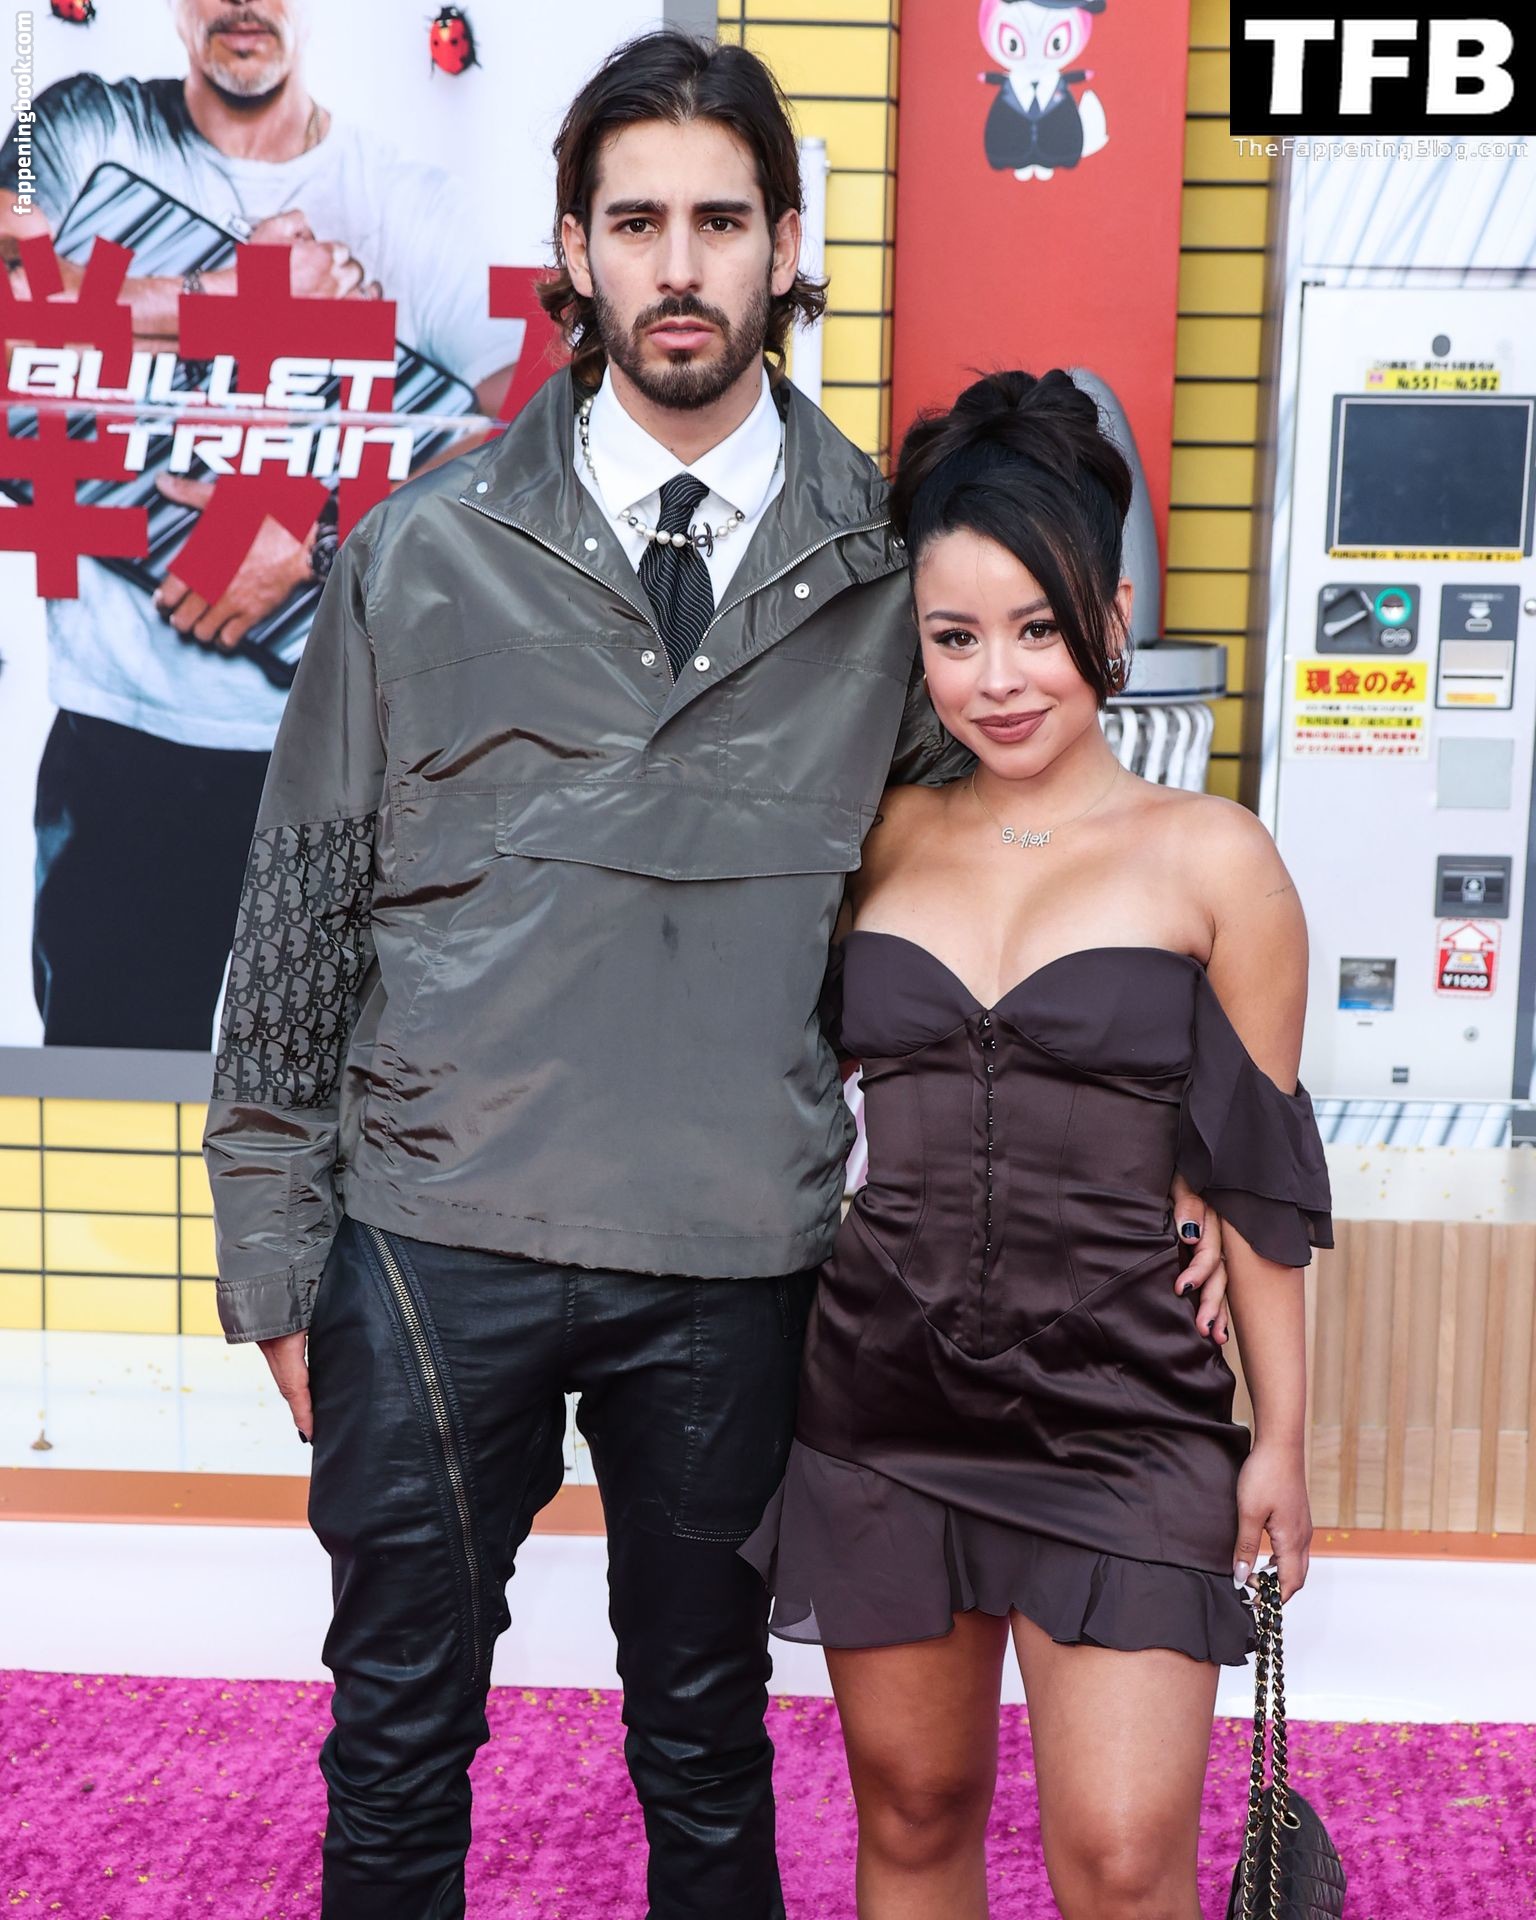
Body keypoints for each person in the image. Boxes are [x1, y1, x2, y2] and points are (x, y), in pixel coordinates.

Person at [202, 34, 1231, 1919]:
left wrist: (1153, 1166)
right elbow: (297, 919)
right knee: (396, 1740)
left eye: (720, 222)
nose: (678, 267)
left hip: (740, 1257)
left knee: (705, 1741)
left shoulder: (894, 576)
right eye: (636, 223)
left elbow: (1008, 894)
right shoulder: (422, 552)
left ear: (784, 245)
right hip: (434, 1238)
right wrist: (274, 1261)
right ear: (572, 249)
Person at [742, 368, 1334, 1920]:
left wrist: (1280, 1437)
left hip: (1129, 1410)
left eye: (1037, 629)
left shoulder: (1217, 860)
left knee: (1125, 1856)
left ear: (1112, 618)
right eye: (954, 637)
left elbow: (1260, 1173)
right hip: (882, 1395)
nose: (998, 678)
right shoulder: (873, 835)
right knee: (915, 1811)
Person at [0, 0, 519, 1049]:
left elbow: (528, 437)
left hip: (338, 764)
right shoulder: (77, 131)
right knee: (111, 1106)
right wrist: (231, 298)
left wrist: (321, 531)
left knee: (326, 1117)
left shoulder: (408, 204)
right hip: (120, 756)